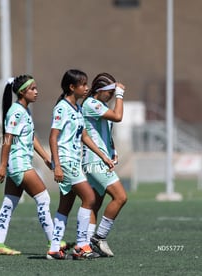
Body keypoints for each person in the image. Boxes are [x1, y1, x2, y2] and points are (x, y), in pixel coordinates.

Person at [47, 69, 114, 260]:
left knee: (65, 206)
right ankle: (82, 246)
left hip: (73, 161)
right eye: (83, 84)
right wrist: (57, 165)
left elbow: (84, 136)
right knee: (90, 198)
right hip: (66, 162)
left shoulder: (76, 109)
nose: (86, 88)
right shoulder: (62, 107)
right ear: (72, 87)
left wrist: (103, 156)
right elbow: (53, 137)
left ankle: (54, 249)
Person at [0, 74, 59, 256]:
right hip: (19, 164)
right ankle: (54, 243)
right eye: (33, 89)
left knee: (8, 203)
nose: (37, 92)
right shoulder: (16, 111)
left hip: (17, 165)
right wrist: (2, 166)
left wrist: (45, 156)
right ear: (22, 92)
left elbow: (31, 137)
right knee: (43, 199)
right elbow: (7, 139)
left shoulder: (24, 110)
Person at [81, 72, 127, 257]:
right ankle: (99, 237)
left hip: (100, 161)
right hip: (94, 161)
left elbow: (106, 132)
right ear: (99, 91)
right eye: (109, 92)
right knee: (120, 197)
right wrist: (120, 95)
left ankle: (85, 244)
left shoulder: (100, 104)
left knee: (94, 204)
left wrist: (113, 151)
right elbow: (118, 117)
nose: (110, 95)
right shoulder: (92, 104)